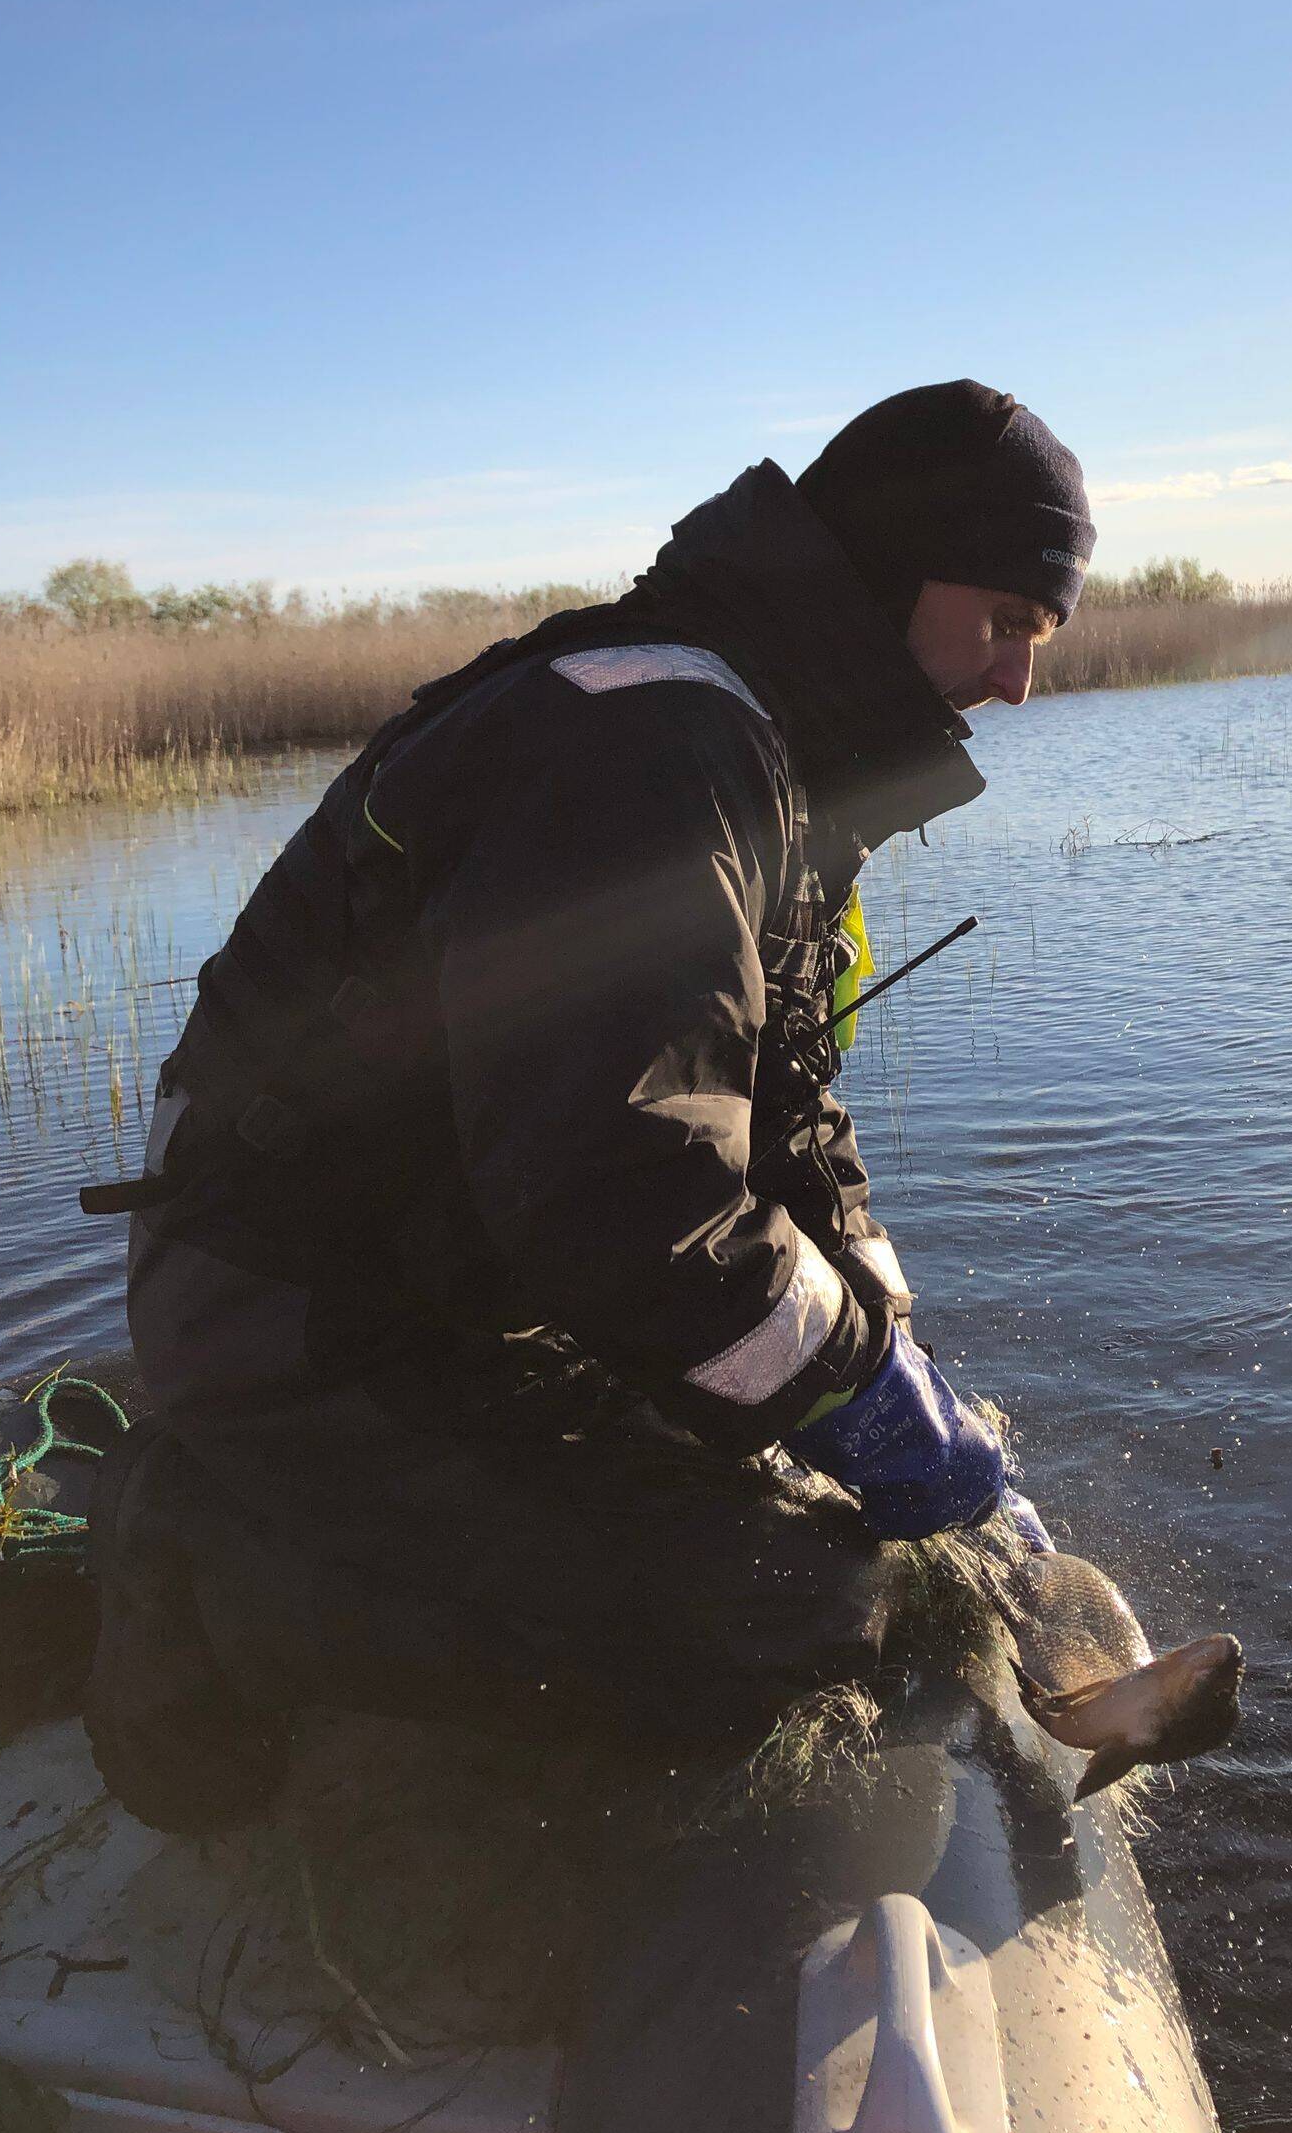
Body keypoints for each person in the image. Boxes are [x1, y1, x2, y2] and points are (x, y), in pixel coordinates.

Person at [83, 379, 1095, 1826]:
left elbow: (777, 1110)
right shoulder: (649, 749)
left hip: (454, 1284)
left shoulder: (759, 746)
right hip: (298, 1310)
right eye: (1005, 621)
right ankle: (201, 1559)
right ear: (889, 570)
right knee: (784, 1615)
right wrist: (852, 1394)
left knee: (805, 1508)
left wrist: (888, 1346)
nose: (1017, 682)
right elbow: (624, 1195)